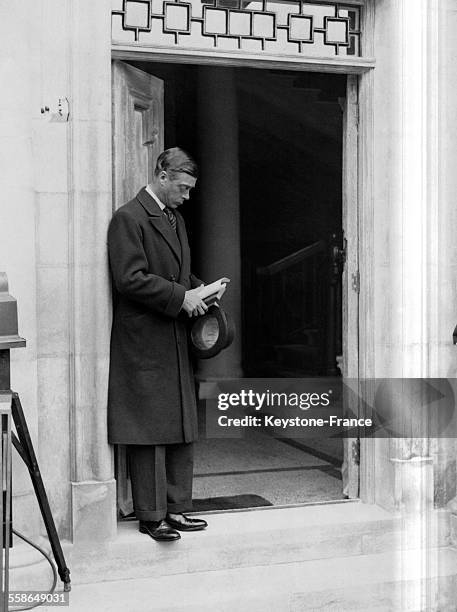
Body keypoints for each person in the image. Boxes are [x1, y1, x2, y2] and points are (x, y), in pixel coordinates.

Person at [107, 147, 209, 542]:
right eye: (182, 188)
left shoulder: (175, 219)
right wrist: (179, 297)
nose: (186, 196)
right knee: (147, 426)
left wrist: (201, 289)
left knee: (182, 421)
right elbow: (129, 278)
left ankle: (177, 508)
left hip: (172, 332)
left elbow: (178, 273)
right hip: (145, 338)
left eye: (190, 190)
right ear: (162, 175)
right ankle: (151, 515)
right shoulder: (128, 218)